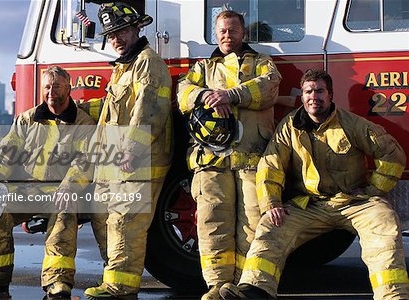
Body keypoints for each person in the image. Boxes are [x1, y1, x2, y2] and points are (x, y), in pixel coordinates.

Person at [219, 69, 409, 299]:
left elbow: (393, 155)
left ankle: (393, 295)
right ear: (302, 96)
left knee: (385, 223)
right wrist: (272, 203)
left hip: (355, 202)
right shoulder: (290, 127)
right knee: (271, 227)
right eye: (308, 91)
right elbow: (270, 165)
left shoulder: (353, 124)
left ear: (330, 95)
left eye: (320, 91)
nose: (313, 96)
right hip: (310, 205)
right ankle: (255, 290)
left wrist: (373, 191)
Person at [0, 66, 107, 299]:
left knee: (63, 218)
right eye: (47, 87)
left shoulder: (83, 123)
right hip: (26, 190)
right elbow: (6, 151)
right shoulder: (27, 119)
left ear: (69, 88)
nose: (51, 92)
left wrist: (69, 186)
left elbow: (85, 162)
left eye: (57, 87)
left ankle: (57, 281)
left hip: (61, 191)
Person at [177, 10, 282, 300]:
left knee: (254, 223)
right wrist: (204, 96)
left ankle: (247, 286)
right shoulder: (204, 67)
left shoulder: (261, 62)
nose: (227, 36)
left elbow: (270, 88)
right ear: (216, 33)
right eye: (222, 31)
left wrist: (230, 95)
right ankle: (218, 286)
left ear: (243, 33)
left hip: (252, 159)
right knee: (212, 222)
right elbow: (182, 92)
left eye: (233, 31)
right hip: (211, 160)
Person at [82, 2, 172, 299]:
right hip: (112, 159)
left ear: (136, 29)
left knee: (125, 220)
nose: (116, 39)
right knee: (101, 215)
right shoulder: (123, 67)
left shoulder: (148, 62)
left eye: (120, 31)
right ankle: (114, 275)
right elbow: (113, 111)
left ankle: (122, 286)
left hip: (139, 160)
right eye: (110, 35)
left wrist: (132, 151)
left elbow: (150, 111)